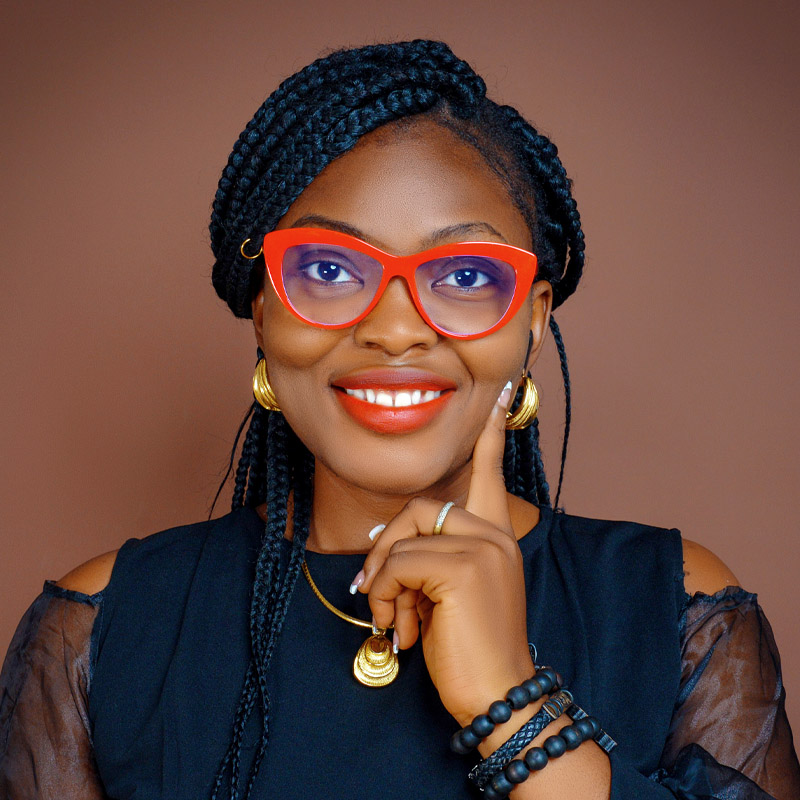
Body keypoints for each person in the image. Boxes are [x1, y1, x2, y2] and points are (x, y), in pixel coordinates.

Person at [0, 39, 798, 800]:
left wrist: (511, 699)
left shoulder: (681, 610)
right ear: (263, 311)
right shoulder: (97, 631)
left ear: (530, 318)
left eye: (461, 273)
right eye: (326, 267)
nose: (394, 326)